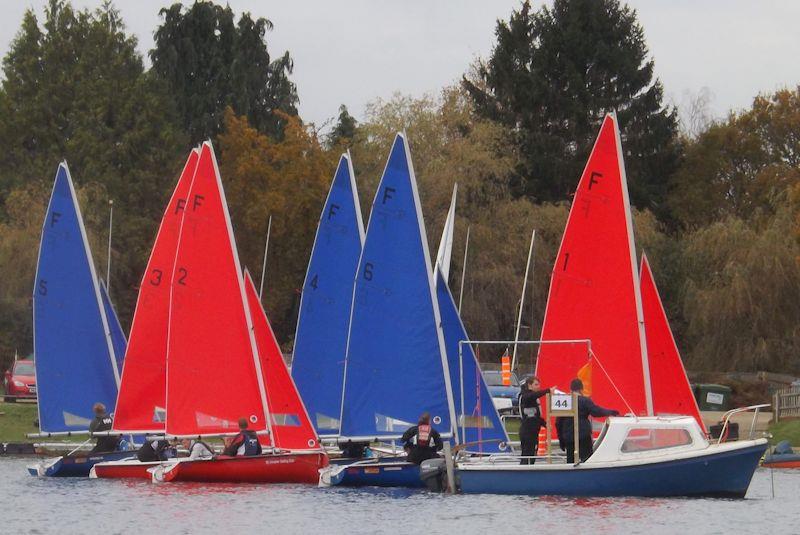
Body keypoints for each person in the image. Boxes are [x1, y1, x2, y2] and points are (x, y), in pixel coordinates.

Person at [556, 378, 619, 464]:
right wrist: (611, 412)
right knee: (587, 460)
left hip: (569, 436)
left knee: (570, 461)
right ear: (581, 389)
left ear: (570, 389)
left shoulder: (565, 401)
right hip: (583, 434)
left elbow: (558, 422)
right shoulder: (585, 401)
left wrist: (561, 440)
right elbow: (596, 411)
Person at [518, 376, 550, 465]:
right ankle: (524, 472)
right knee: (527, 455)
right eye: (536, 384)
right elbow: (531, 396)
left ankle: (528, 470)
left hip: (533, 431)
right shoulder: (525, 396)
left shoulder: (533, 399)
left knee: (532, 455)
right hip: (527, 431)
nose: (538, 386)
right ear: (529, 385)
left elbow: (535, 416)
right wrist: (548, 390)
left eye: (539, 384)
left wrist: (545, 424)